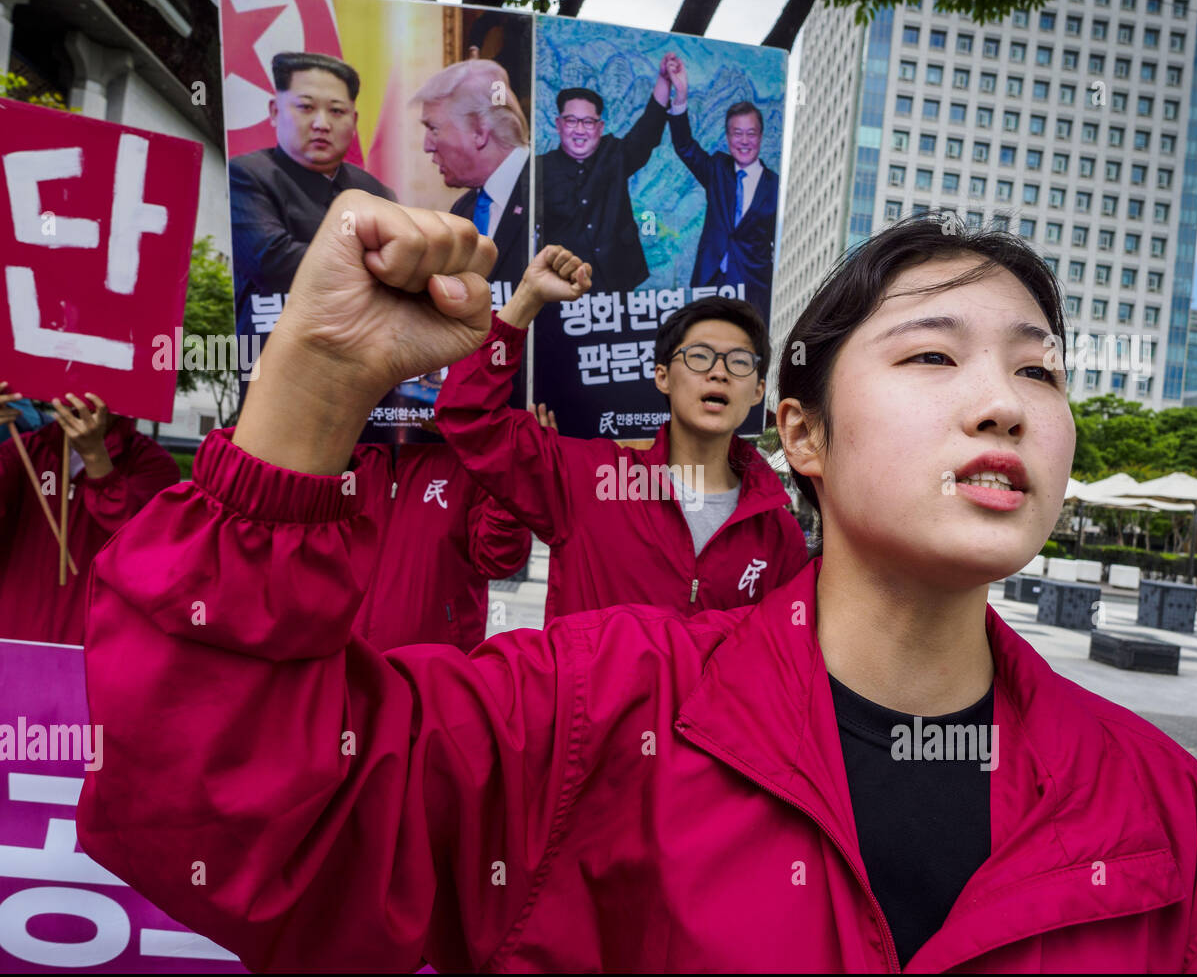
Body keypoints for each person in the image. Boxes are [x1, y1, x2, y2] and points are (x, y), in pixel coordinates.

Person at [77, 196, 1197, 973]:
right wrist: (321, 379)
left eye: (1039, 373)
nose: (1002, 401)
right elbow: (233, 802)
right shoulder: (580, 721)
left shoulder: (1185, 840)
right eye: (932, 354)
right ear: (805, 431)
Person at [433, 244, 808, 623]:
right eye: (699, 356)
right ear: (662, 376)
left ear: (758, 390)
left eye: (740, 361)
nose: (719, 372)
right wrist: (527, 298)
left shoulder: (779, 534)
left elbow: (783, 660)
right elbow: (468, 414)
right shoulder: (591, 479)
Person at [229, 52, 396, 344]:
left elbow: (400, 270)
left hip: (364, 356)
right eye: (306, 107)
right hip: (276, 358)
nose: (321, 123)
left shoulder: (377, 192)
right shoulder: (247, 175)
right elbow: (273, 262)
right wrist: (375, 264)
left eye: (336, 111)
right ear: (274, 111)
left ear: (353, 120)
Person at [0, 386, 178, 645]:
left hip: (101, 647)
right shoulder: (22, 451)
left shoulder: (154, 466)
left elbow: (141, 546)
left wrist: (97, 460)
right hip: (14, 640)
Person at [348, 427, 533, 654]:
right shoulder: (351, 449)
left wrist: (512, 473)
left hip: (433, 671)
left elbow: (498, 559)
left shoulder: (473, 454)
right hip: (343, 663)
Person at [537, 55, 675, 291]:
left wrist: (664, 81)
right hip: (563, 288)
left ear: (600, 128)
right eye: (571, 121)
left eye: (589, 122)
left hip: (619, 282)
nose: (579, 130)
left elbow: (647, 132)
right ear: (558, 124)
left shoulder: (615, 154)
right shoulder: (539, 169)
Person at [665, 58, 778, 317]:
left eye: (751, 133)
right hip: (708, 281)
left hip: (752, 291)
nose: (744, 141)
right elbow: (685, 146)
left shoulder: (775, 186)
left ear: (761, 136)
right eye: (737, 133)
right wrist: (681, 95)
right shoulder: (717, 169)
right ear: (727, 137)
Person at [415, 59, 530, 293]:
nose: (427, 146)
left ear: (479, 131)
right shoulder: (463, 209)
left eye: (433, 129)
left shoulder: (556, 192)